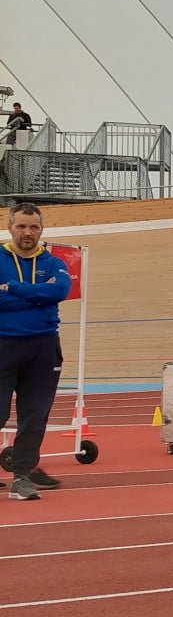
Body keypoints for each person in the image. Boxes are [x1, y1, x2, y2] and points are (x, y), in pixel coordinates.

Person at [0, 202, 70, 501]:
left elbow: (60, 291)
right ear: (9, 227)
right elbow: (48, 295)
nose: (27, 232)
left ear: (41, 229)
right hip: (3, 344)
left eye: (34, 227)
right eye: (21, 226)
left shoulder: (54, 262)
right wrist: (39, 297)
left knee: (35, 416)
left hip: (44, 347)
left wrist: (13, 288)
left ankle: (22, 477)